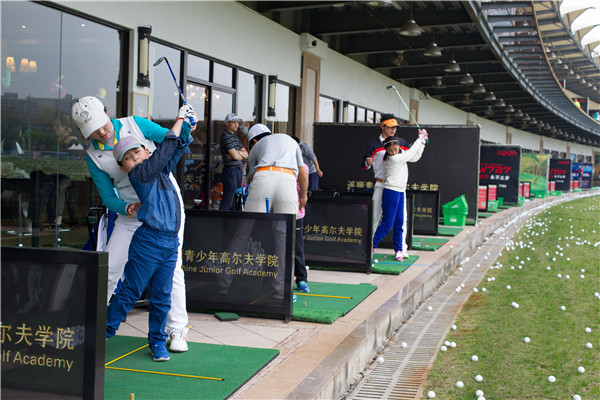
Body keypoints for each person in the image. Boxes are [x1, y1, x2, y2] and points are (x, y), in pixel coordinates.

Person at [71, 96, 193, 352]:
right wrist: (125, 207)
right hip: (131, 212)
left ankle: (177, 329)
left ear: (106, 111)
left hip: (163, 206)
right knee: (111, 265)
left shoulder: (136, 124)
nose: (101, 132)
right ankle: (91, 323)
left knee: (173, 269)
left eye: (101, 124)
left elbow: (172, 142)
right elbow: (107, 196)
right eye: (93, 130)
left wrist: (187, 125)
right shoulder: (93, 155)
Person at [105, 117, 193, 362]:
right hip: (149, 242)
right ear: (124, 168)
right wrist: (178, 121)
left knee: (163, 295)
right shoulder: (141, 175)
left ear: (146, 150)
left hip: (170, 243)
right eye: (129, 159)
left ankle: (157, 341)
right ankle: (104, 332)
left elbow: (176, 148)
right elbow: (164, 150)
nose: (135, 159)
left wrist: (187, 127)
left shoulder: (161, 171)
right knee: (130, 291)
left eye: (137, 153)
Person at [372, 131, 427, 260]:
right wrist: (420, 138)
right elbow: (411, 153)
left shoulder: (401, 154)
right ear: (387, 151)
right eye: (390, 150)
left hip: (401, 191)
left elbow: (415, 156)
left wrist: (423, 143)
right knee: (387, 223)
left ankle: (398, 250)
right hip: (391, 191)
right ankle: (371, 246)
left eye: (395, 149)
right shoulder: (393, 159)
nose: (393, 152)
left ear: (399, 146)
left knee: (399, 222)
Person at [361, 114, 410, 254]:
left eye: (395, 127)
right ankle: (369, 248)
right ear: (382, 126)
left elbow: (412, 155)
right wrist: (367, 163)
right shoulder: (373, 145)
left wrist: (422, 141)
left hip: (397, 186)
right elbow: (363, 164)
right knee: (375, 217)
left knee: (401, 219)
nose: (393, 129)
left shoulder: (401, 142)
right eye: (390, 127)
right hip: (381, 185)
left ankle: (402, 249)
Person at [245, 124, 308, 214]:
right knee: (285, 225)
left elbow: (253, 178)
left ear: (254, 141)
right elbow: (303, 176)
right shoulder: (291, 141)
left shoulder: (256, 147)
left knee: (250, 220)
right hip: (288, 178)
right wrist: (303, 196)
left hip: (263, 175)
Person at [219, 113, 248, 211]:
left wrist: (237, 152)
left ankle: (231, 224)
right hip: (230, 170)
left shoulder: (235, 137)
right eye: (233, 122)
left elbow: (246, 154)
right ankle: (221, 221)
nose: (236, 124)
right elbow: (235, 156)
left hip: (238, 170)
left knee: (235, 198)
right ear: (227, 123)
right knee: (228, 199)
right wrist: (238, 154)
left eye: (237, 122)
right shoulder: (226, 136)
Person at [294, 163, 310, 293]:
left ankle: (301, 280)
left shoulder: (303, 167)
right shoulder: (278, 163)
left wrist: (303, 196)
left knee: (297, 248)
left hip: (297, 214)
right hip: (276, 213)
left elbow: (303, 187)